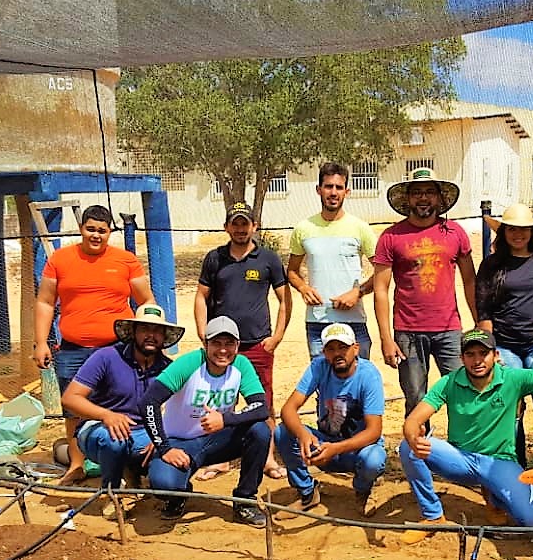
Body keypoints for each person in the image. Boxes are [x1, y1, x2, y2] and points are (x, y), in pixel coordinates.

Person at [34, 204, 156, 486]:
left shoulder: (125, 261)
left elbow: (146, 300)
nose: (96, 235)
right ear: (81, 229)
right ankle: (77, 464)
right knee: (74, 408)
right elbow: (44, 302)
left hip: (117, 348)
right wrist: (41, 342)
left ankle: (126, 464)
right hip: (73, 349)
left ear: (109, 232)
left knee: (123, 402)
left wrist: (146, 336)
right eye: (91, 229)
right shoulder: (60, 260)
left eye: (102, 230)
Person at [398, 328, 533, 545]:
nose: (477, 360)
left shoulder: (514, 378)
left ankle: (494, 496)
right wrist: (413, 437)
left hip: (500, 462)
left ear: (495, 355)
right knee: (407, 447)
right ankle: (433, 515)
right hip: (460, 459)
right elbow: (413, 420)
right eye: (470, 354)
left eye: (483, 353)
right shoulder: (449, 382)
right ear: (461, 358)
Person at [140, 316, 271, 527]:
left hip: (219, 441)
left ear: (237, 345)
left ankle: (245, 499)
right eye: (216, 343)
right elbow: (148, 402)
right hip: (180, 443)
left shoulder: (241, 364)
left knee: (260, 431)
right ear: (205, 344)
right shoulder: (189, 363)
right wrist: (163, 447)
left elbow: (261, 407)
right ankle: (178, 494)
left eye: (229, 344)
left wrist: (225, 419)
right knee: (164, 485)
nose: (223, 350)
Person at [194, 202, 291, 481]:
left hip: (258, 344)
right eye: (234, 224)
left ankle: (268, 458)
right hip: (222, 347)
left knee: (263, 403)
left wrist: (277, 337)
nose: (240, 229)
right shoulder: (215, 258)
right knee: (221, 402)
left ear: (254, 226)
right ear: (227, 227)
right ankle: (221, 459)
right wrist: (203, 332)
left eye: (244, 223)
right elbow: (201, 295)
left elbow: (285, 299)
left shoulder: (268, 259)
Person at [373, 167, 477, 422]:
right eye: (417, 192)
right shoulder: (391, 236)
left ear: (439, 198)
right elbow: (380, 290)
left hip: (449, 329)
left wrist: (479, 322)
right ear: (408, 199)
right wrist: (387, 339)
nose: (423, 198)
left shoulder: (455, 233)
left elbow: (470, 281)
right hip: (408, 331)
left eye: (430, 192)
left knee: (463, 393)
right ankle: (418, 457)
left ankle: (462, 454)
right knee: (415, 399)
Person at [61, 304, 182, 498]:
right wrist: (106, 415)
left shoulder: (169, 367)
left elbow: (181, 408)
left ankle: (135, 473)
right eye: (144, 329)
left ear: (165, 336)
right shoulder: (106, 357)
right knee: (115, 439)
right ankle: (112, 492)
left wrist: (162, 434)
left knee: (177, 445)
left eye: (157, 330)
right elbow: (70, 398)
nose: (151, 335)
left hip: (144, 431)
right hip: (98, 428)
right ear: (133, 331)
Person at [475, 202, 533, 466]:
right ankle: (513, 464)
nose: (518, 234)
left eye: (524, 229)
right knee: (511, 408)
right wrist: (492, 349)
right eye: (512, 229)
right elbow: (483, 309)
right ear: (504, 233)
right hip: (505, 346)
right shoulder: (491, 265)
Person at [275, 323, 387, 517]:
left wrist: (337, 448)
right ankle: (307, 493)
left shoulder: (369, 375)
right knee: (282, 432)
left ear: (355, 348)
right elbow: (288, 409)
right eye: (331, 349)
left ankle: (363, 491)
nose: (337, 354)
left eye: (343, 347)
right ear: (324, 352)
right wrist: (302, 435)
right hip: (324, 443)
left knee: (374, 459)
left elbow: (374, 431)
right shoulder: (319, 366)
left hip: (357, 449)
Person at [288, 163, 377, 358]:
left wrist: (358, 292)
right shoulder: (303, 228)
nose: (333, 192)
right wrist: (304, 289)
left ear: (347, 191)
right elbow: (292, 271)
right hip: (317, 324)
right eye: (328, 186)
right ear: (318, 190)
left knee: (357, 383)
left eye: (338, 187)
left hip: (354, 323)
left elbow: (383, 273)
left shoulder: (360, 228)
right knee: (324, 385)